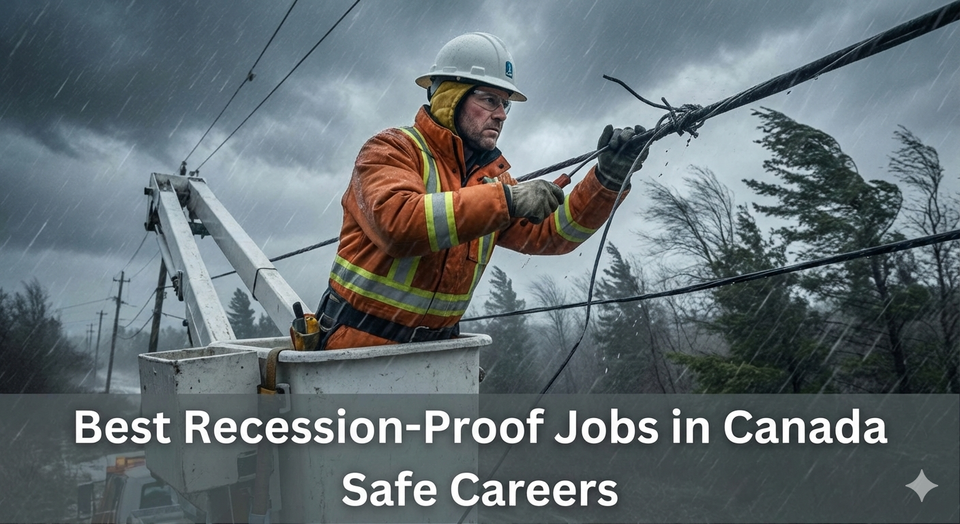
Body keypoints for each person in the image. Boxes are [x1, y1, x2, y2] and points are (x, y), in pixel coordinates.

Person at [316, 32, 647, 350]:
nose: (502, 115)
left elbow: (553, 233)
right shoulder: (390, 151)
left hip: (436, 358)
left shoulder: (494, 185)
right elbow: (399, 225)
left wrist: (608, 180)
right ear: (450, 97)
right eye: (490, 100)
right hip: (355, 352)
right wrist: (505, 200)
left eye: (505, 104)